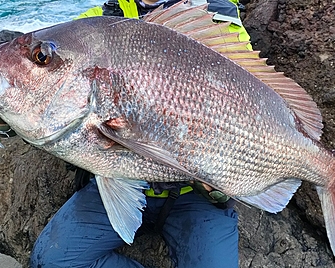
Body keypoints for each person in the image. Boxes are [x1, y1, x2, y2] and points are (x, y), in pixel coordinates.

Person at [25, 0, 254, 267]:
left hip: (195, 198)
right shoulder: (97, 20)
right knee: (51, 262)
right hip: (112, 179)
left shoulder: (215, 12)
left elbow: (248, 92)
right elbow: (33, 67)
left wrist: (226, 174)